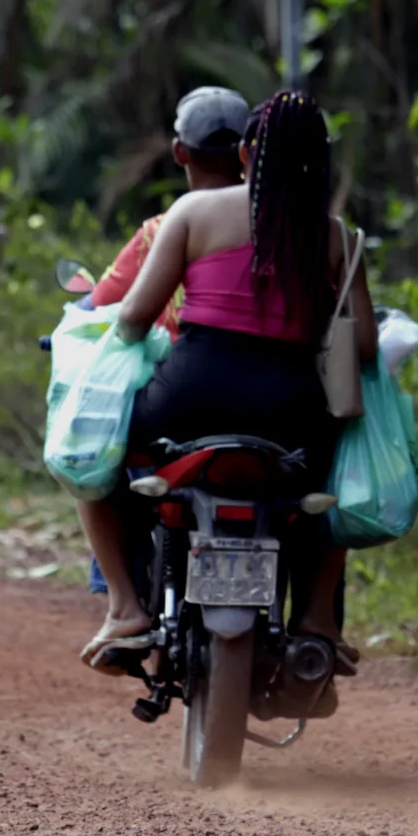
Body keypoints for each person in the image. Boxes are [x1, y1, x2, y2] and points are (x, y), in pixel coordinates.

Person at [75, 89, 375, 669]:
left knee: (98, 454)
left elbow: (135, 318)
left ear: (246, 155)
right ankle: (316, 620)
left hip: (191, 396)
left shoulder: (192, 215)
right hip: (293, 410)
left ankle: (125, 609)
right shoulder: (337, 238)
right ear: (322, 160)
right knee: (334, 483)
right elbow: (361, 346)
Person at [91, 86, 250, 338]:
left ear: (179, 152)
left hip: (189, 369)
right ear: (247, 153)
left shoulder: (162, 229)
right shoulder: (279, 224)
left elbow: (102, 304)